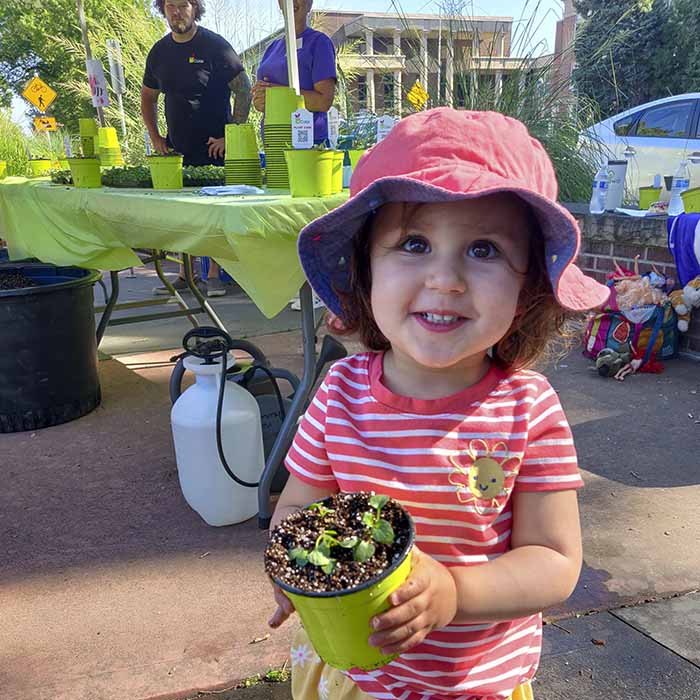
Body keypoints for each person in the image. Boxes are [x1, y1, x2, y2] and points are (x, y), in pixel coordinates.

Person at [267, 108, 610, 700]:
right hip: (355, 677)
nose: (445, 279)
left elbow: (554, 560)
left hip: (476, 683)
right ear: (365, 270)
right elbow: (299, 509)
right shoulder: (340, 394)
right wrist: (291, 568)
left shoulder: (528, 409)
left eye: (483, 251)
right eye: (415, 243)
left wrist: (454, 592)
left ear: (528, 289)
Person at [141, 0, 252, 297]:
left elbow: (243, 89)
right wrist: (155, 137)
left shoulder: (215, 46)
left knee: (213, 214)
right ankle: (184, 274)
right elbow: (148, 97)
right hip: (177, 148)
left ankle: (213, 275)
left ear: (195, 9)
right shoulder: (159, 53)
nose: (177, 12)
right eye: (170, 7)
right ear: (163, 10)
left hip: (215, 149)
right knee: (182, 215)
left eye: (183, 5)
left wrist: (232, 135)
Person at [252, 0, 336, 145]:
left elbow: (323, 101)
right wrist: (259, 101)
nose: (292, 2)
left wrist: (276, 96)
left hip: (308, 143)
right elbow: (262, 100)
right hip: (274, 141)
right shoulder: (272, 48)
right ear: (280, 4)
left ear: (309, 4)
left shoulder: (319, 43)